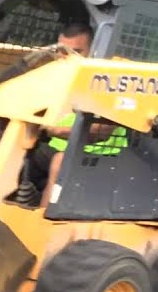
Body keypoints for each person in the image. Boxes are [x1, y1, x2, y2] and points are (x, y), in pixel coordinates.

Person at [23, 22, 129, 207]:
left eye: (76, 51)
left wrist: (54, 131)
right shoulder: (60, 75)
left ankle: (41, 222)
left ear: (96, 50)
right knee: (10, 149)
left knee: (60, 162)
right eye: (63, 51)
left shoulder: (115, 81)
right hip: (56, 145)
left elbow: (101, 132)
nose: (67, 57)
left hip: (99, 154)